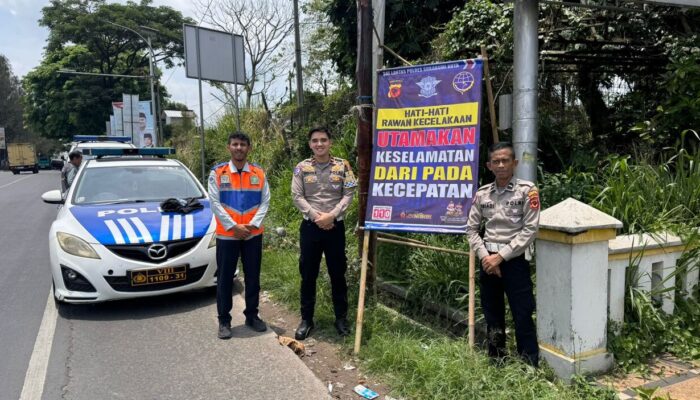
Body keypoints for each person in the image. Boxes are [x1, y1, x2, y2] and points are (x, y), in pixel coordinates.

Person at [466, 142, 540, 367]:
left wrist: (501, 257)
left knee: (522, 313)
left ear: (514, 163)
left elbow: (530, 229)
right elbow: (471, 229)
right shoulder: (482, 194)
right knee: (493, 314)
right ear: (489, 165)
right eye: (496, 161)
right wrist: (485, 257)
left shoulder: (527, 191)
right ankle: (497, 360)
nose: (500, 165)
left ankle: (529, 365)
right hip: (488, 261)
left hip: (514, 261)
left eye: (505, 160)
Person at [291, 127, 357, 340]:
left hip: (335, 228)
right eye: (315, 141)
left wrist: (332, 215)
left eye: (323, 140)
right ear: (310, 144)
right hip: (310, 228)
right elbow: (297, 195)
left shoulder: (343, 165)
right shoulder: (301, 167)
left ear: (330, 142)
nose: (319, 144)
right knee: (308, 274)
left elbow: (349, 193)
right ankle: (306, 319)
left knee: (338, 273)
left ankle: (341, 318)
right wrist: (316, 216)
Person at [208, 132, 270, 339]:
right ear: (229, 147)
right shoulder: (218, 172)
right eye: (235, 144)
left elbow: (265, 202)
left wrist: (251, 226)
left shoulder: (259, 173)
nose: (239, 148)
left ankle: (252, 316)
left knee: (253, 277)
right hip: (228, 235)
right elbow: (215, 203)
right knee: (225, 279)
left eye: (243, 144)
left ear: (248, 148)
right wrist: (234, 227)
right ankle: (224, 320)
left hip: (253, 235)